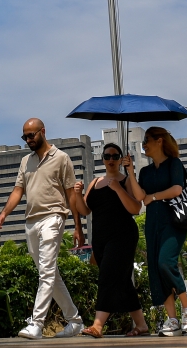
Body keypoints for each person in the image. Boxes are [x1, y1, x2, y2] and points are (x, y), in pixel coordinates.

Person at [0, 118, 85, 340]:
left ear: (43, 132)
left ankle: (36, 324)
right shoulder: (26, 161)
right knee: (49, 273)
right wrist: (4, 213)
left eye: (31, 135)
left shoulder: (62, 158)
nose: (28, 140)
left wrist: (78, 227)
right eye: (24, 136)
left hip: (53, 217)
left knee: (46, 271)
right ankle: (75, 321)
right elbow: (18, 190)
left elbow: (71, 195)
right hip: (31, 221)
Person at [71, 143, 148, 338]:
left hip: (122, 236)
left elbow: (135, 208)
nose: (111, 160)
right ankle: (142, 324)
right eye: (107, 156)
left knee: (107, 276)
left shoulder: (125, 180)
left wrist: (118, 189)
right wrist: (77, 194)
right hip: (100, 238)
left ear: (121, 159)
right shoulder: (95, 182)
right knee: (122, 281)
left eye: (115, 156)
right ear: (103, 159)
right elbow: (84, 210)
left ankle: (98, 324)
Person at [131, 127, 187, 336]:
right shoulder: (146, 171)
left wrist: (154, 196)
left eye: (147, 140)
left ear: (159, 141)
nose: (144, 144)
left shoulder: (174, 164)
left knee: (165, 262)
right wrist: (130, 173)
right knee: (156, 269)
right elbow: (140, 196)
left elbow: (177, 189)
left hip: (173, 222)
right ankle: (173, 320)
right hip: (152, 223)